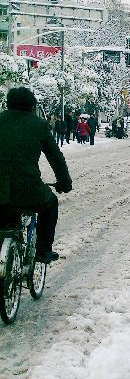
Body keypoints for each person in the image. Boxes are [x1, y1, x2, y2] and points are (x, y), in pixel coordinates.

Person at [0, 87, 72, 263]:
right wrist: (64, 182)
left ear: (8, 104)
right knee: (50, 204)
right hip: (28, 190)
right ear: (32, 106)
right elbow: (56, 157)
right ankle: (43, 251)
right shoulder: (39, 125)